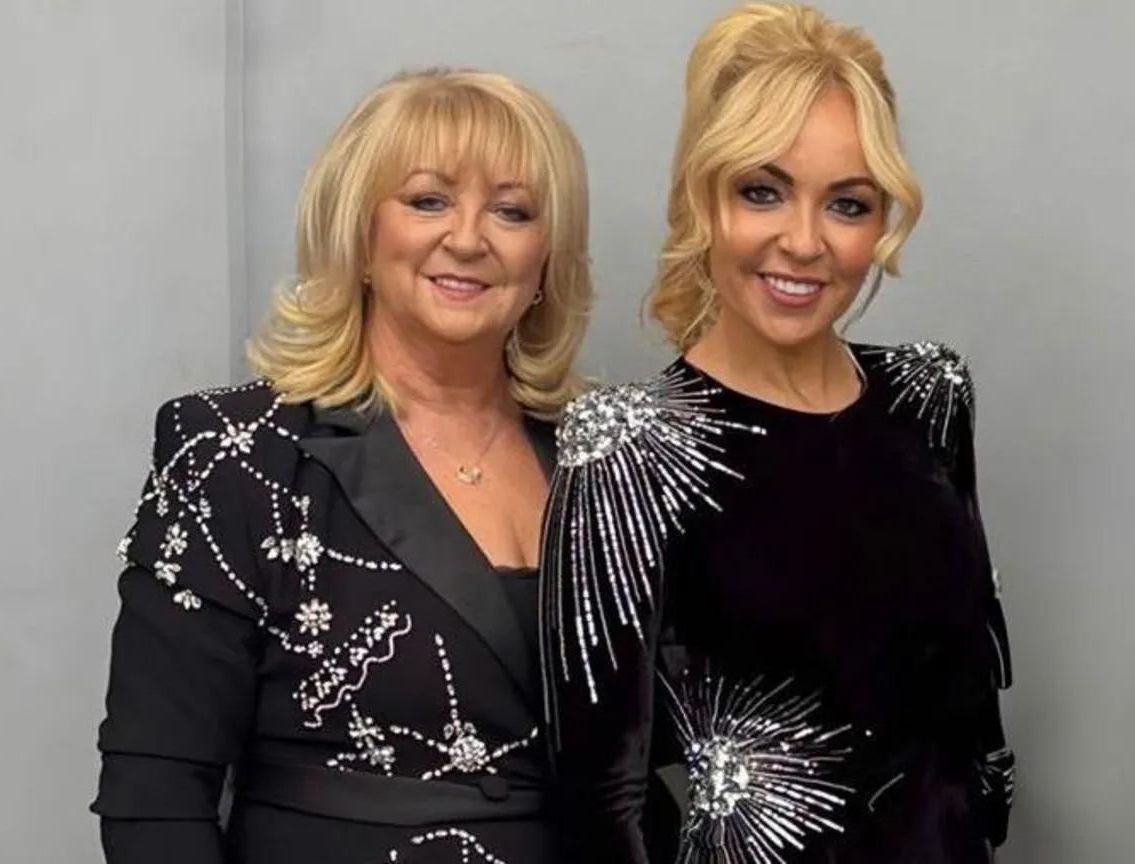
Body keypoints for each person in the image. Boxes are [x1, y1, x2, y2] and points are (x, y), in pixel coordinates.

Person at [540, 5, 1016, 863]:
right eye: (763, 191)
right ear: (703, 197)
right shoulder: (630, 446)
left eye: (847, 203)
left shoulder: (928, 392)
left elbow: (971, 705)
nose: (803, 242)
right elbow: (599, 793)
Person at [91, 67, 591, 864]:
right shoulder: (235, 453)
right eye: (428, 200)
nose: (468, 237)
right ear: (359, 236)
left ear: (546, 260)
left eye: (512, 210)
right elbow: (155, 797)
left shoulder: (607, 461)